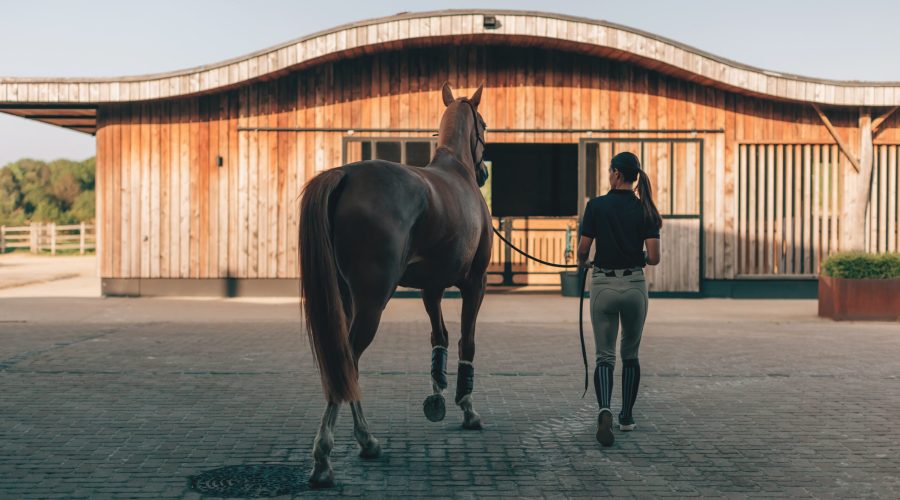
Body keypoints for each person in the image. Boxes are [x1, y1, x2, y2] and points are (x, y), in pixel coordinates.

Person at [577, 151, 662, 447]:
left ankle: (604, 410)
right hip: (635, 285)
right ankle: (626, 416)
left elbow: (583, 250)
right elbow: (653, 257)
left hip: (603, 284)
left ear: (615, 174)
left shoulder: (596, 206)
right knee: (630, 354)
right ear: (635, 176)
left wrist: (585, 262)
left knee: (604, 355)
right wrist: (632, 255)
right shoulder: (646, 209)